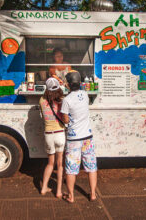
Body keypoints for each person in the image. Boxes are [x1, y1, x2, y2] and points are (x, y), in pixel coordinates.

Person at [60, 70, 97, 203]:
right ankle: (92, 194)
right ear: (80, 83)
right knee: (91, 166)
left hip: (74, 139)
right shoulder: (85, 94)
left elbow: (65, 120)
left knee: (71, 169)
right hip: (87, 137)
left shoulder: (66, 100)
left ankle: (71, 196)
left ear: (68, 85)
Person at [39, 77, 66, 198]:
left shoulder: (41, 100)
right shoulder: (61, 100)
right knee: (60, 164)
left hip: (48, 135)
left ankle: (44, 188)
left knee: (50, 163)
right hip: (60, 133)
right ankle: (59, 191)